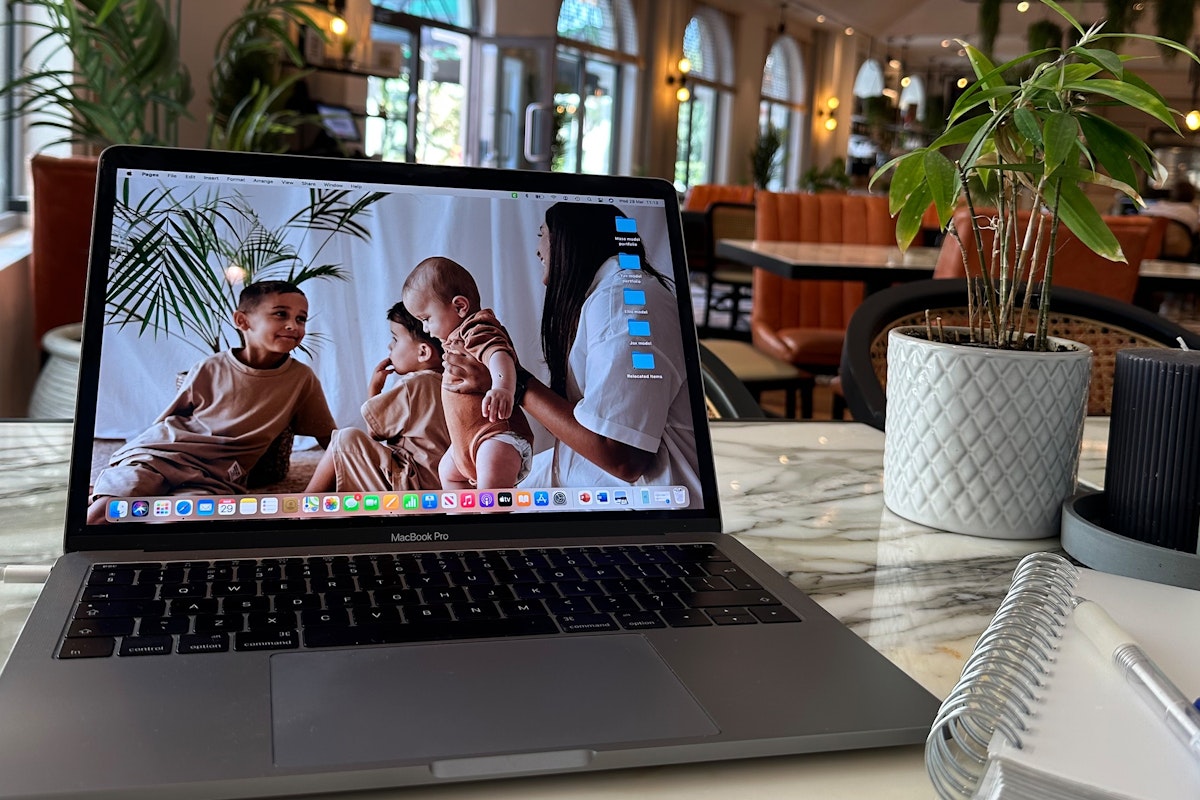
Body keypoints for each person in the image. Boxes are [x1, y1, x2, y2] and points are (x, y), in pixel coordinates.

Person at [444, 202, 700, 501]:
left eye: (543, 238)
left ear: (569, 238)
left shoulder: (621, 305)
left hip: (646, 508)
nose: (540, 261)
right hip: (596, 486)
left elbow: (622, 457)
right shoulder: (610, 297)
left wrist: (515, 383)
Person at [87, 280, 335, 523]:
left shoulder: (301, 378)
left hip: (215, 477)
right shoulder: (210, 367)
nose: (293, 325)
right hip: (162, 455)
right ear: (242, 321)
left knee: (179, 523)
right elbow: (168, 419)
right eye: (281, 314)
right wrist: (134, 457)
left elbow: (329, 438)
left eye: (301, 319)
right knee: (106, 512)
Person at [402, 256, 533, 490]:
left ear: (460, 306)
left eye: (426, 318)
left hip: (495, 436)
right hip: (466, 442)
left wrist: (502, 388)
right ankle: (465, 520)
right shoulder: (454, 339)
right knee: (447, 472)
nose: (425, 328)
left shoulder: (475, 328)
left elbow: (498, 354)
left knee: (491, 494)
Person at [305, 302, 450, 493]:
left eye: (395, 339)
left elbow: (375, 432)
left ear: (423, 352)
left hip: (411, 486)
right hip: (440, 486)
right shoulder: (450, 384)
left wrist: (374, 388)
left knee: (344, 439)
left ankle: (305, 505)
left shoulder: (413, 385)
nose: (390, 346)